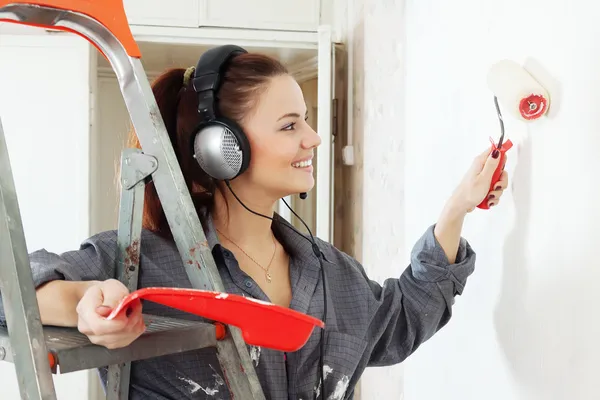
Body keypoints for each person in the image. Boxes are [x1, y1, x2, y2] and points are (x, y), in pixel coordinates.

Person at [0, 45, 508, 400]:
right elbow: (10, 294)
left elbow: (397, 323)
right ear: (221, 151)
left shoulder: (329, 272)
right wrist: (80, 303)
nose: (313, 138)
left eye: (306, 120)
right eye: (290, 125)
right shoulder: (141, 261)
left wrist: (456, 208)